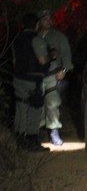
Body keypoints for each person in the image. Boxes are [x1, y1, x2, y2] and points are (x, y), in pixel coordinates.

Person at [12, 13, 52, 152]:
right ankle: (32, 141)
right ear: (36, 24)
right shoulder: (36, 39)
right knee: (35, 110)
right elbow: (42, 60)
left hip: (18, 78)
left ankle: (20, 141)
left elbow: (15, 61)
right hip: (33, 80)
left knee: (21, 108)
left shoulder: (17, 40)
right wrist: (51, 55)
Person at [37, 9, 74, 146]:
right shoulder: (35, 36)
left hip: (53, 74)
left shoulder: (59, 37)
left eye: (50, 18)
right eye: (45, 19)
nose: (48, 21)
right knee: (37, 106)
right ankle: (35, 134)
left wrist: (64, 70)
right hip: (36, 76)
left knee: (52, 104)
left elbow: (66, 56)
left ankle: (54, 133)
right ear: (39, 21)